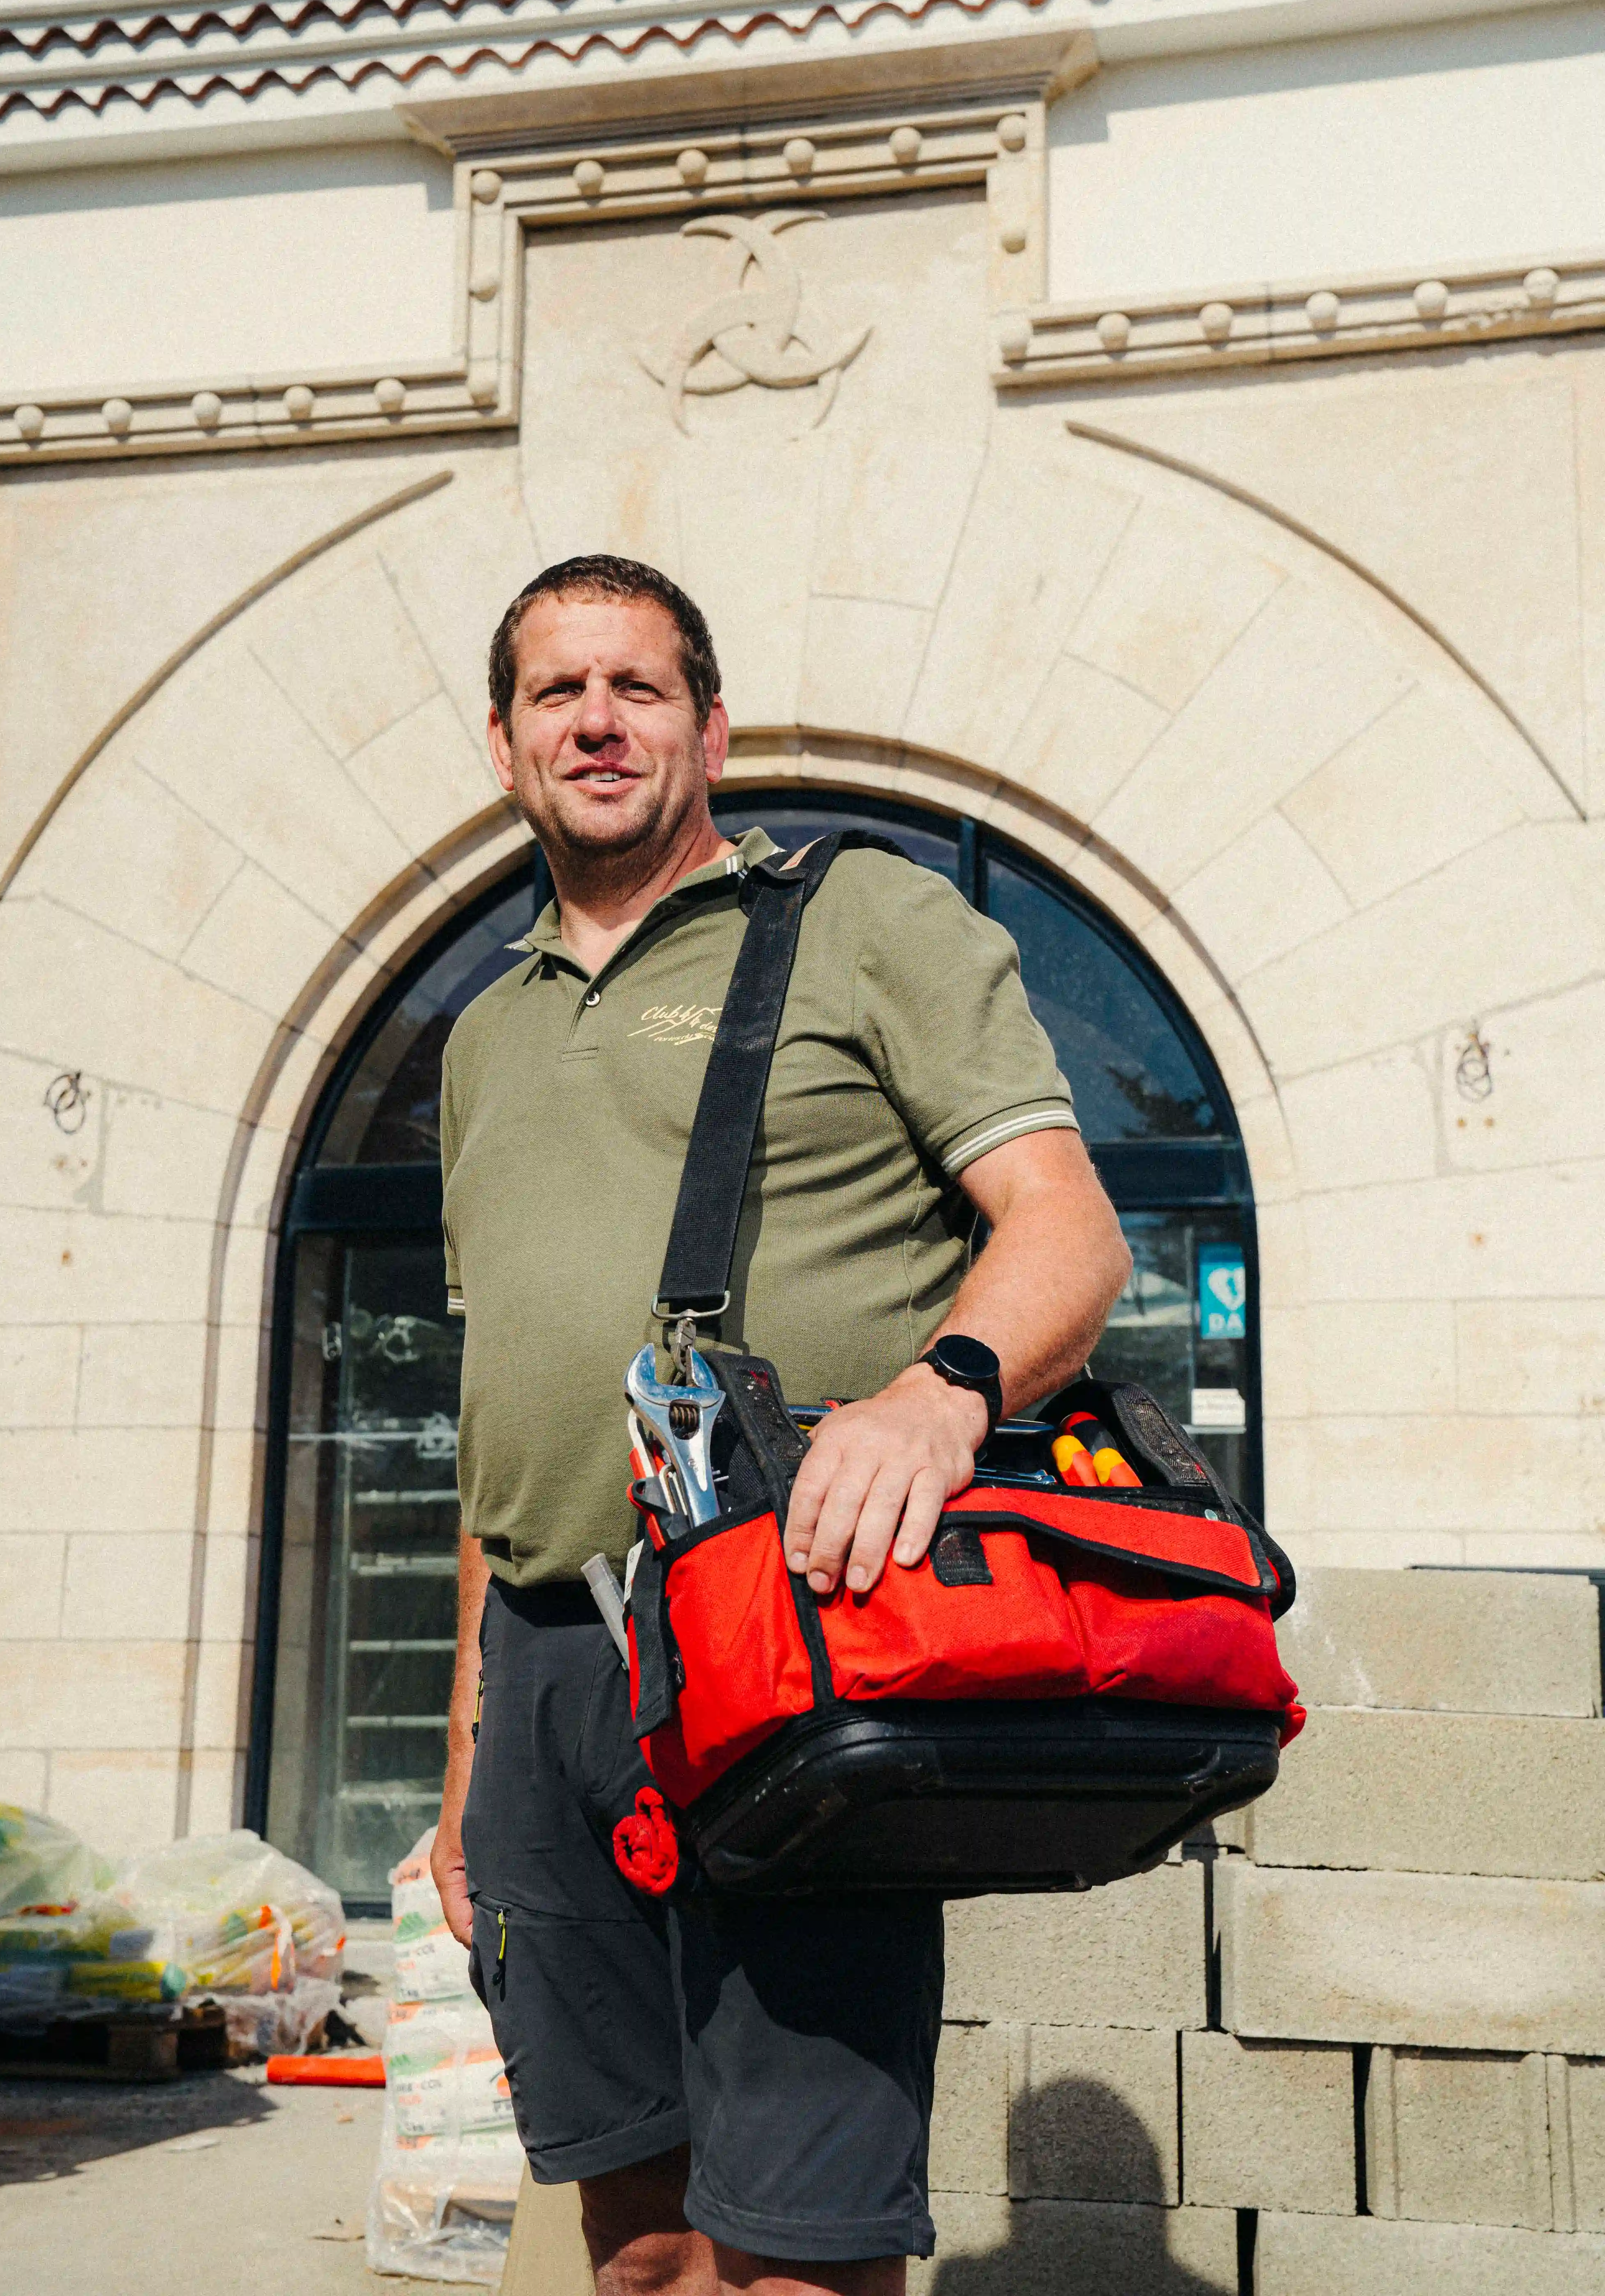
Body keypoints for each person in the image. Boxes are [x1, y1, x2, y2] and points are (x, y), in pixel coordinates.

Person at [431, 553, 1132, 2296]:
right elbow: (495, 1400)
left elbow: (1068, 1231)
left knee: (794, 2257)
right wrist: (462, 1767)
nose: (596, 720)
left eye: (638, 686)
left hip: (782, 1633)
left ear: (710, 728)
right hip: (544, 1675)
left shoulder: (861, 923)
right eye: (556, 693)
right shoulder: (478, 1037)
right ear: (506, 744)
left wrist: (937, 1396)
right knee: (637, 2242)